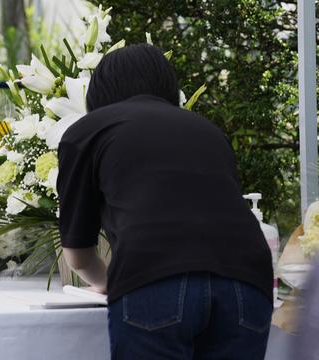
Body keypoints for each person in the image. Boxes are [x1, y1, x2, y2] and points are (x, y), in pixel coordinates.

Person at [57, 43, 273, 359]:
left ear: (99, 91)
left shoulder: (89, 130)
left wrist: (107, 281)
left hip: (154, 276)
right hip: (248, 282)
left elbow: (77, 254)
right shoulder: (208, 130)